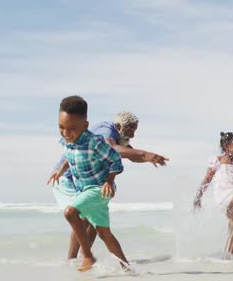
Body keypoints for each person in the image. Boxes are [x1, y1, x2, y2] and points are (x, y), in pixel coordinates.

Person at [50, 111, 169, 260]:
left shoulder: (119, 136)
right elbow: (111, 148)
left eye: (135, 130)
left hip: (90, 182)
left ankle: (83, 259)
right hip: (69, 178)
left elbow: (131, 155)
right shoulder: (106, 131)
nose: (132, 135)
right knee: (81, 215)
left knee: (94, 219)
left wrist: (147, 158)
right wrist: (145, 153)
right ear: (119, 126)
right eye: (130, 129)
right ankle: (73, 259)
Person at [48, 95, 129, 272]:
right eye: (61, 127)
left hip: (99, 189)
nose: (66, 133)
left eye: (72, 129)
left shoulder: (95, 142)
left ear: (85, 126)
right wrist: (60, 169)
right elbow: (71, 156)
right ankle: (128, 268)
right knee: (104, 234)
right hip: (85, 189)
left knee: (71, 212)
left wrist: (109, 182)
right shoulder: (67, 141)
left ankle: (87, 256)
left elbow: (115, 160)